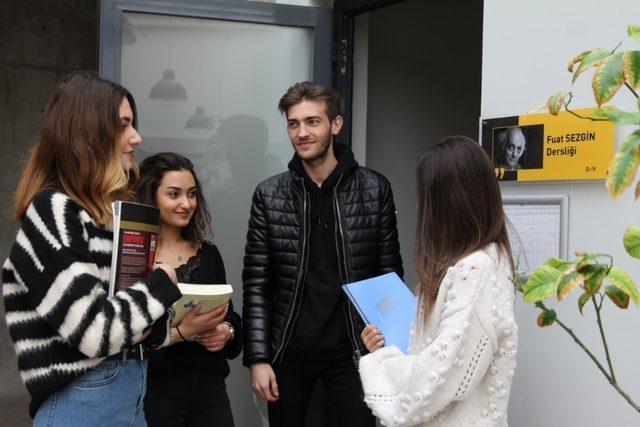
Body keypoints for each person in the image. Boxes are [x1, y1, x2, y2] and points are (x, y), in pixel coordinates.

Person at [1, 72, 182, 425]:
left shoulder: (98, 216)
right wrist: (163, 285)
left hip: (126, 394)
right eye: (124, 125)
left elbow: (123, 322)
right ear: (88, 132)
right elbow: (96, 331)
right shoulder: (53, 212)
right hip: (84, 403)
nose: (136, 137)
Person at [242, 81, 403, 427]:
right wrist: (258, 357)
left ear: (335, 124)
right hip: (289, 350)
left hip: (355, 350)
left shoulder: (375, 189)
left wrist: (388, 344)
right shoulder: (269, 195)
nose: (302, 132)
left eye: (312, 122)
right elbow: (257, 282)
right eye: (293, 123)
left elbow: (389, 275)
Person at [358, 136, 518, 427]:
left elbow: (439, 376)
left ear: (450, 199)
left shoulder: (476, 269)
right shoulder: (470, 263)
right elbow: (434, 350)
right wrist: (383, 346)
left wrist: (381, 365)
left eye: (426, 194)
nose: (421, 204)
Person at [134, 152, 242, 427]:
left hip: (210, 389)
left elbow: (231, 317)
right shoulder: (133, 258)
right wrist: (182, 333)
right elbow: (124, 334)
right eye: (174, 194)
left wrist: (226, 332)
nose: (186, 203)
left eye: (192, 194)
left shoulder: (208, 253)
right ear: (151, 196)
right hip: (155, 390)